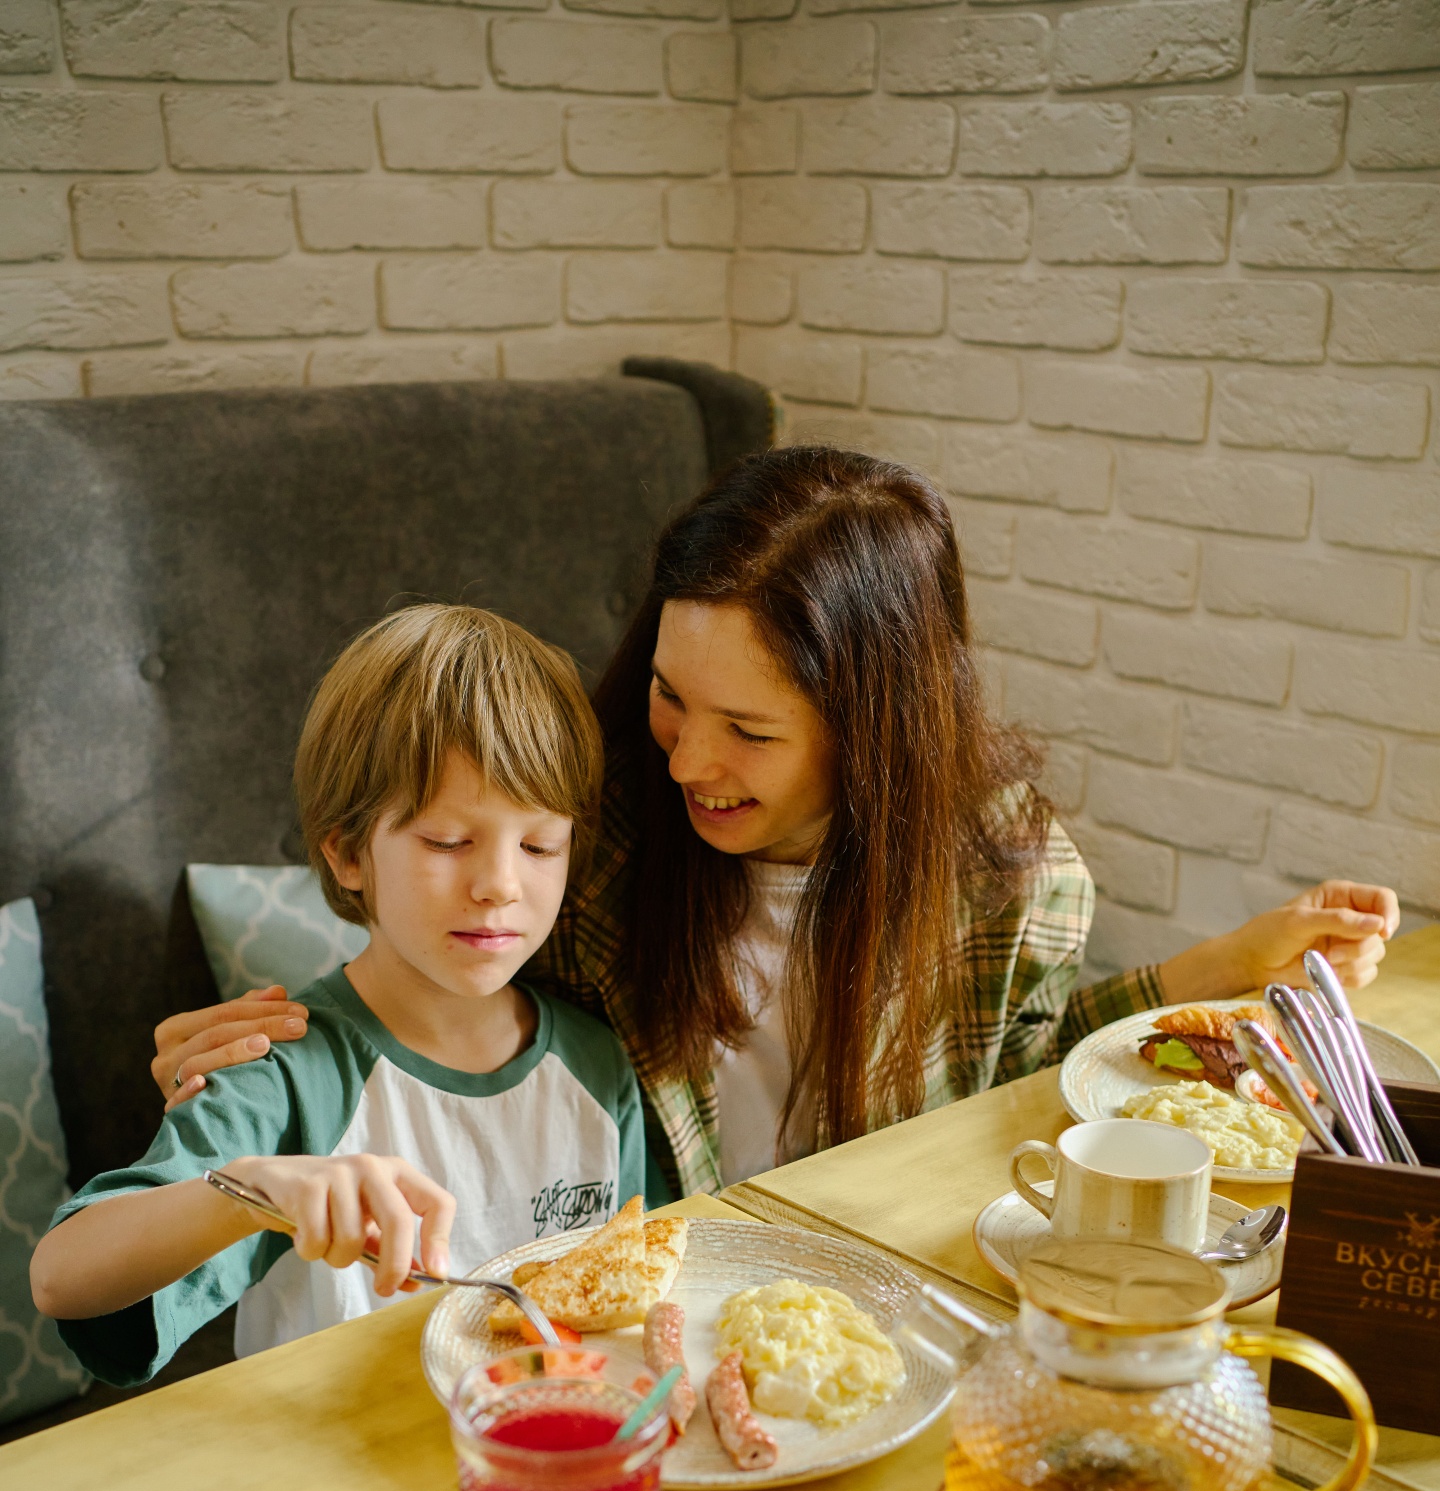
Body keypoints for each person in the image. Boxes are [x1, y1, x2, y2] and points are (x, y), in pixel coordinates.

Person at [147, 447, 1400, 1202]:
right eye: (669, 695)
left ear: (879, 730)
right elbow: (442, 1000)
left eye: (750, 732)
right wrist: (280, 1067)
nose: (689, 758)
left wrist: (1222, 973)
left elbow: (1005, 1079)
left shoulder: (1008, 872)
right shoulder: (594, 845)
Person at [30, 605, 646, 1383]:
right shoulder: (281, 1068)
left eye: (538, 845)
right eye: (449, 842)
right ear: (349, 852)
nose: (499, 885)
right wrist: (249, 1190)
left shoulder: (596, 1064)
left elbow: (632, 1314)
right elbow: (61, 1276)